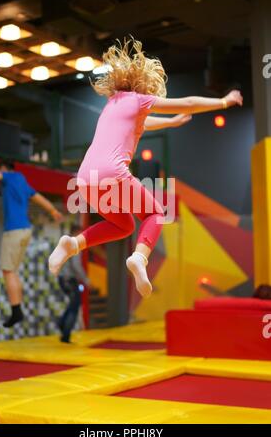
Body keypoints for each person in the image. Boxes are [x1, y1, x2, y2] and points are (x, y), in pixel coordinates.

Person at [49, 37, 243, 298]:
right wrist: (223, 102)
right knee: (154, 214)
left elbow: (145, 124)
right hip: (112, 173)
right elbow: (187, 103)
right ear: (145, 85)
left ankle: (72, 244)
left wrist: (172, 123)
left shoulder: (113, 105)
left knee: (125, 225)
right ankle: (139, 258)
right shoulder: (138, 100)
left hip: (85, 179)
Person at [0, 158, 63, 327]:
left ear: (3, 168)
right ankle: (17, 309)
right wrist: (53, 210)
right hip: (25, 231)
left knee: (7, 271)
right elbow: (39, 198)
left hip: (13, 231)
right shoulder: (22, 181)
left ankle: (16, 311)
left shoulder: (9, 177)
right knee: (13, 271)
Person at [57, 225, 90, 343]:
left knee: (73, 304)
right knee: (75, 307)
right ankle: (65, 334)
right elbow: (76, 266)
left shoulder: (65, 244)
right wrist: (86, 280)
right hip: (70, 279)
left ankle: (61, 322)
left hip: (62, 278)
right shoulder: (75, 245)